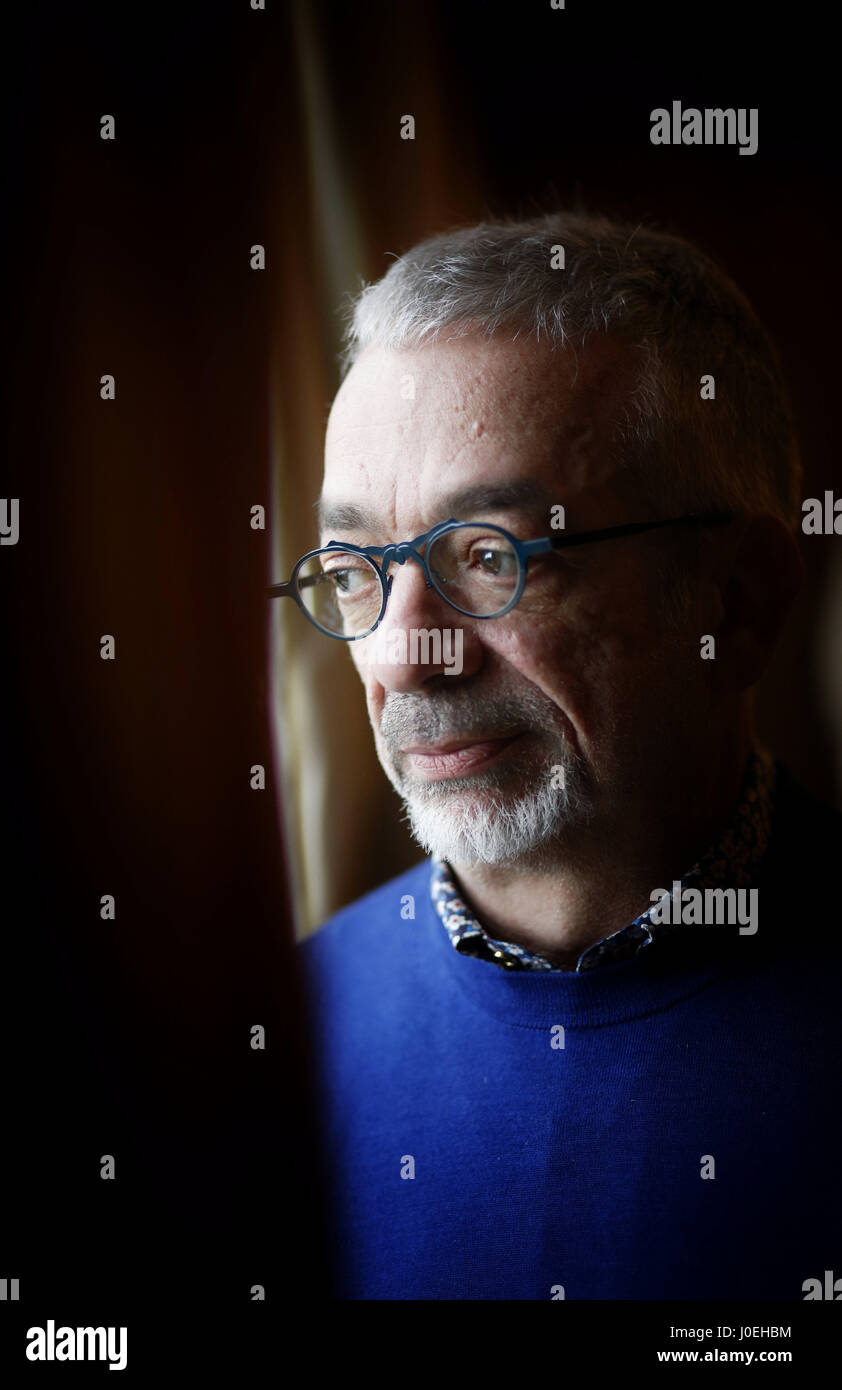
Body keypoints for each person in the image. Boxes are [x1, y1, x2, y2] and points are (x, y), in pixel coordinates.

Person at [271, 212, 841, 1299]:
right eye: (352, 569)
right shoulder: (275, 1038)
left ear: (737, 601)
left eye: (487, 556)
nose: (398, 655)